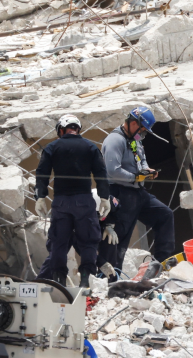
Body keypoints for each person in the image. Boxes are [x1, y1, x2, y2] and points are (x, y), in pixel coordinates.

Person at [34, 114, 110, 287]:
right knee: (88, 240)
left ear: (61, 130)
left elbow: (42, 174)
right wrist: (104, 197)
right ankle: (84, 280)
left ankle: (59, 280)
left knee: (59, 241)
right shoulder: (90, 147)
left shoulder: (52, 147)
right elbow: (101, 174)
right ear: (78, 129)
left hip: (61, 202)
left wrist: (40, 197)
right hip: (84, 201)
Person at [100, 106, 174, 274]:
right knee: (119, 236)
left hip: (138, 192)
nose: (143, 133)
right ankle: (110, 276)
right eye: (142, 129)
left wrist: (147, 171)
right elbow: (112, 170)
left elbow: (142, 161)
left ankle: (161, 262)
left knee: (164, 215)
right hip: (120, 192)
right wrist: (135, 177)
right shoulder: (115, 140)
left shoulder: (135, 140)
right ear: (134, 123)